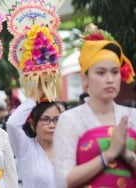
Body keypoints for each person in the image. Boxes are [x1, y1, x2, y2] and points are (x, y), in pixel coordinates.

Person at [53, 24, 136, 187]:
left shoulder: (133, 116)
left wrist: (127, 154)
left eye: (115, 72)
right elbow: (63, 180)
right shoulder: (70, 120)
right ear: (85, 79)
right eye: (101, 72)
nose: (110, 79)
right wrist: (109, 154)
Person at [6, 95, 65, 188]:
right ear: (33, 124)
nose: (52, 125)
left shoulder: (67, 148)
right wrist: (35, 96)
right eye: (46, 119)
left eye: (56, 119)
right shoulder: (25, 148)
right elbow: (12, 124)